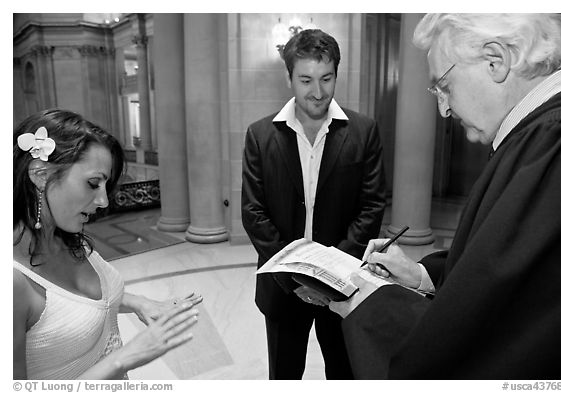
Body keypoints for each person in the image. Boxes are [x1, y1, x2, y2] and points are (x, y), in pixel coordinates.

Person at [329, 13, 561, 379]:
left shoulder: (551, 146)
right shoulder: (536, 140)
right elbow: (491, 270)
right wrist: (423, 274)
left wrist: (367, 303)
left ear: (495, 60)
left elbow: (488, 346)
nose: (443, 108)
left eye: (444, 86)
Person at [13, 109, 203, 380]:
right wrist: (123, 359)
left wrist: (140, 302)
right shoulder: (11, 282)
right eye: (93, 183)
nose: (103, 201)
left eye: (105, 185)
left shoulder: (68, 238)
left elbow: (74, 304)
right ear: (41, 175)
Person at [242, 29, 386, 379]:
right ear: (288, 77)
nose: (318, 92)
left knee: (344, 373)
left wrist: (328, 277)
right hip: (282, 288)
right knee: (285, 375)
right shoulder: (260, 135)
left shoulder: (363, 131)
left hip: (341, 284)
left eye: (327, 78)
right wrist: (295, 279)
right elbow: (253, 212)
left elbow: (371, 206)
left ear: (337, 73)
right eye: (306, 80)